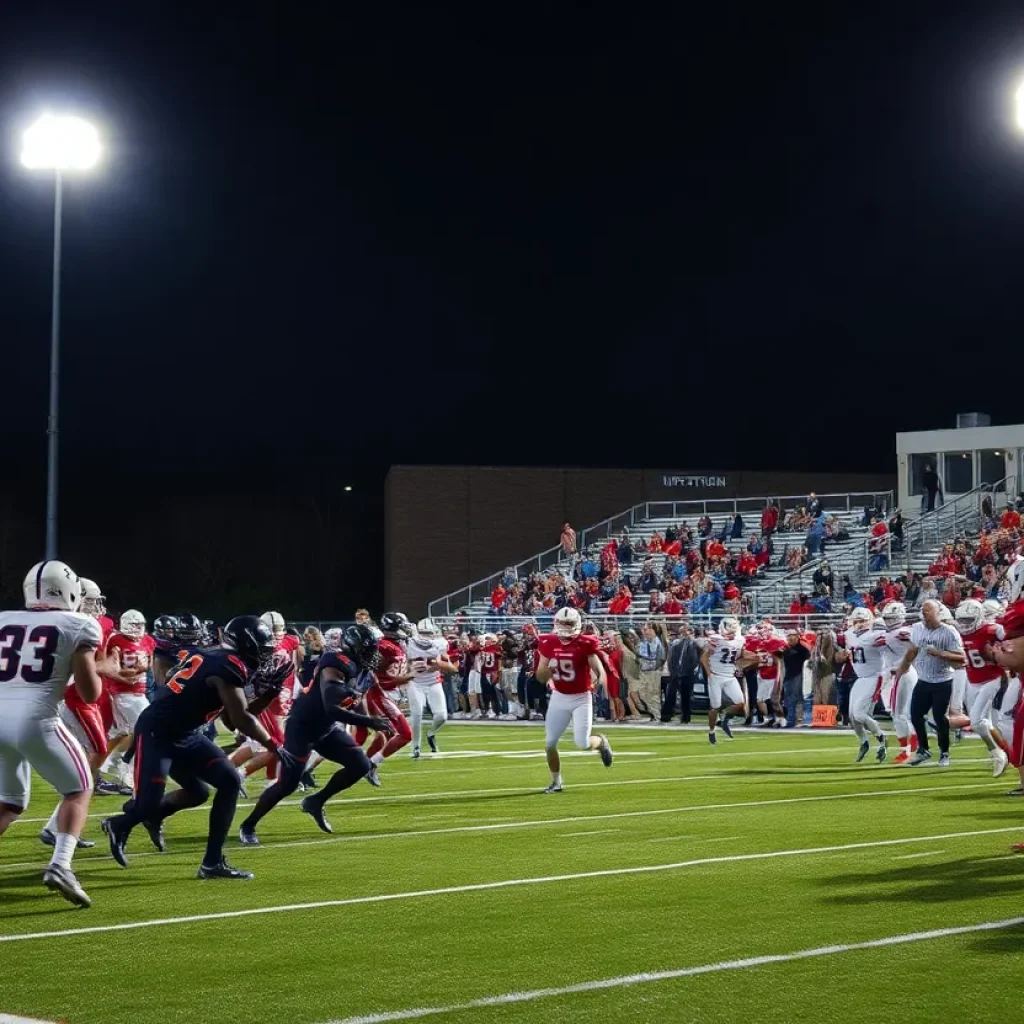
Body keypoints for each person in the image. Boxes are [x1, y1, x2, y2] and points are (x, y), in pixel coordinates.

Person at [102, 616, 296, 880]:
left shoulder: (220, 658)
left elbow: (230, 717)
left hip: (184, 733)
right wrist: (273, 743)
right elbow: (240, 719)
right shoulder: (229, 665)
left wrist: (268, 694)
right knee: (148, 804)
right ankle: (120, 824)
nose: (264, 656)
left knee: (225, 782)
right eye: (261, 649)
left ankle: (212, 862)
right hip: (158, 732)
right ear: (246, 644)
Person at [0, 561, 103, 907]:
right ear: (70, 590)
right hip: (36, 719)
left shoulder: (4, 620)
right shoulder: (78, 624)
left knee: (10, 801)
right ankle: (60, 864)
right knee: (80, 787)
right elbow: (90, 693)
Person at [239, 625, 393, 843]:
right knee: (287, 784)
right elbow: (332, 707)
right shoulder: (335, 664)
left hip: (325, 728)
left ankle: (316, 801)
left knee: (361, 764)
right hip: (303, 727)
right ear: (354, 648)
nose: (375, 654)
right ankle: (248, 825)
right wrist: (370, 722)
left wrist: (367, 723)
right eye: (370, 649)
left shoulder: (363, 671)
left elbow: (356, 700)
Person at [534, 608, 613, 792]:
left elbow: (599, 670)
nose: (565, 627)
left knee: (582, 743)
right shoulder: (548, 642)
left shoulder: (585, 643)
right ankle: (556, 781)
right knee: (550, 743)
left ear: (576, 624)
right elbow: (540, 676)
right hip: (559, 696)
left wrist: (598, 683)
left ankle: (600, 742)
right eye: (562, 623)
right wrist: (548, 670)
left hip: (581, 697)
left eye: (568, 624)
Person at [896, 599, 966, 767]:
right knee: (915, 715)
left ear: (938, 613)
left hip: (943, 681)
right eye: (923, 611)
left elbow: (962, 657)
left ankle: (944, 752)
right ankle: (924, 750)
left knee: (940, 718)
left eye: (928, 612)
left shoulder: (949, 632)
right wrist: (901, 669)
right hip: (923, 680)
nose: (924, 615)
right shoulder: (917, 629)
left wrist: (940, 653)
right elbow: (912, 650)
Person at [354, 611, 416, 784]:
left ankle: (361, 766)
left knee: (386, 735)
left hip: (388, 692)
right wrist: (409, 676)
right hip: (381, 693)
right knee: (404, 734)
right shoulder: (384, 646)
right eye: (402, 625)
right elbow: (379, 675)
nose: (406, 628)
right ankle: (369, 765)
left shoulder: (396, 644)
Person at [949, 599, 1008, 776]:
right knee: (986, 722)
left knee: (976, 720)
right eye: (963, 619)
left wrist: (1001, 651)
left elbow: (1012, 639)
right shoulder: (957, 631)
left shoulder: (992, 629)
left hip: (993, 678)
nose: (965, 624)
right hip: (972, 679)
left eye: (969, 620)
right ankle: (1008, 753)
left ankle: (997, 754)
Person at [834, 607, 888, 763]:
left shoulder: (876, 634)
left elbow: (890, 645)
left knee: (859, 714)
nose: (858, 624)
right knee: (852, 716)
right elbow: (839, 656)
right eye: (856, 621)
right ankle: (864, 742)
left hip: (874, 676)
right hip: (860, 677)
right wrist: (842, 655)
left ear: (869, 621)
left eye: (862, 621)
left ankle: (882, 739)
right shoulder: (849, 635)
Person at [406, 619, 456, 757]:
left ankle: (431, 733)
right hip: (415, 682)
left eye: (429, 633)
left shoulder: (440, 645)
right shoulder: (408, 643)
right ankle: (415, 747)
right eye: (423, 633)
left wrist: (438, 663)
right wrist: (409, 668)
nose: (426, 637)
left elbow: (452, 668)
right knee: (416, 714)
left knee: (442, 716)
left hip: (434, 682)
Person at [700, 617, 752, 745]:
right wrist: (709, 673)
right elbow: (703, 658)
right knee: (715, 707)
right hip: (716, 676)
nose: (732, 633)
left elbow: (740, 656)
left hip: (729, 676)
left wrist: (750, 661)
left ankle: (724, 717)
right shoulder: (716, 639)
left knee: (741, 704)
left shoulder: (740, 640)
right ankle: (711, 732)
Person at [880, 602, 918, 764]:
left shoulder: (902, 632)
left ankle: (907, 750)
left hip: (902, 673)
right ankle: (915, 748)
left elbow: (916, 647)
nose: (889, 621)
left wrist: (903, 666)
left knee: (898, 713)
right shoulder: (894, 632)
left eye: (892, 618)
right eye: (887, 618)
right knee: (903, 713)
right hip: (900, 673)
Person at [664, 626, 698, 723]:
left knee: (686, 696)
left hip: (687, 674)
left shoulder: (693, 644)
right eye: (682, 632)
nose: (684, 634)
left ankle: (685, 717)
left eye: (686, 632)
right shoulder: (675, 644)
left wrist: (689, 672)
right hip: (675, 672)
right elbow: (670, 659)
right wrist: (673, 671)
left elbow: (694, 660)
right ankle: (667, 715)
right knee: (670, 694)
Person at [779, 628, 811, 728]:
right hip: (788, 676)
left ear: (798, 637)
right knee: (789, 700)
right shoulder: (786, 650)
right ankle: (792, 719)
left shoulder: (802, 649)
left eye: (793, 635)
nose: (791, 638)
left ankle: (796, 719)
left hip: (798, 676)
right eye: (789, 636)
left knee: (795, 699)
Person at [636, 623, 665, 720]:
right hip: (643, 670)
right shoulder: (644, 641)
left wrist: (656, 670)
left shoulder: (656, 642)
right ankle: (652, 713)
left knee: (653, 694)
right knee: (643, 694)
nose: (644, 631)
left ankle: (657, 715)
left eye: (646, 629)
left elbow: (659, 658)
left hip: (653, 671)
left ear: (653, 630)